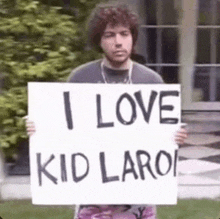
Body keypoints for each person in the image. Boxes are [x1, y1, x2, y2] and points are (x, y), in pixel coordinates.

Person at [26, 2, 187, 219]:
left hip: (138, 194)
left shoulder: (152, 82)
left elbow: (160, 140)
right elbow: (65, 132)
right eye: (109, 35)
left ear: (133, 37)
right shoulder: (80, 78)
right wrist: (41, 129)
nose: (118, 42)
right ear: (99, 40)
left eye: (124, 34)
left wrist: (174, 137)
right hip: (92, 195)